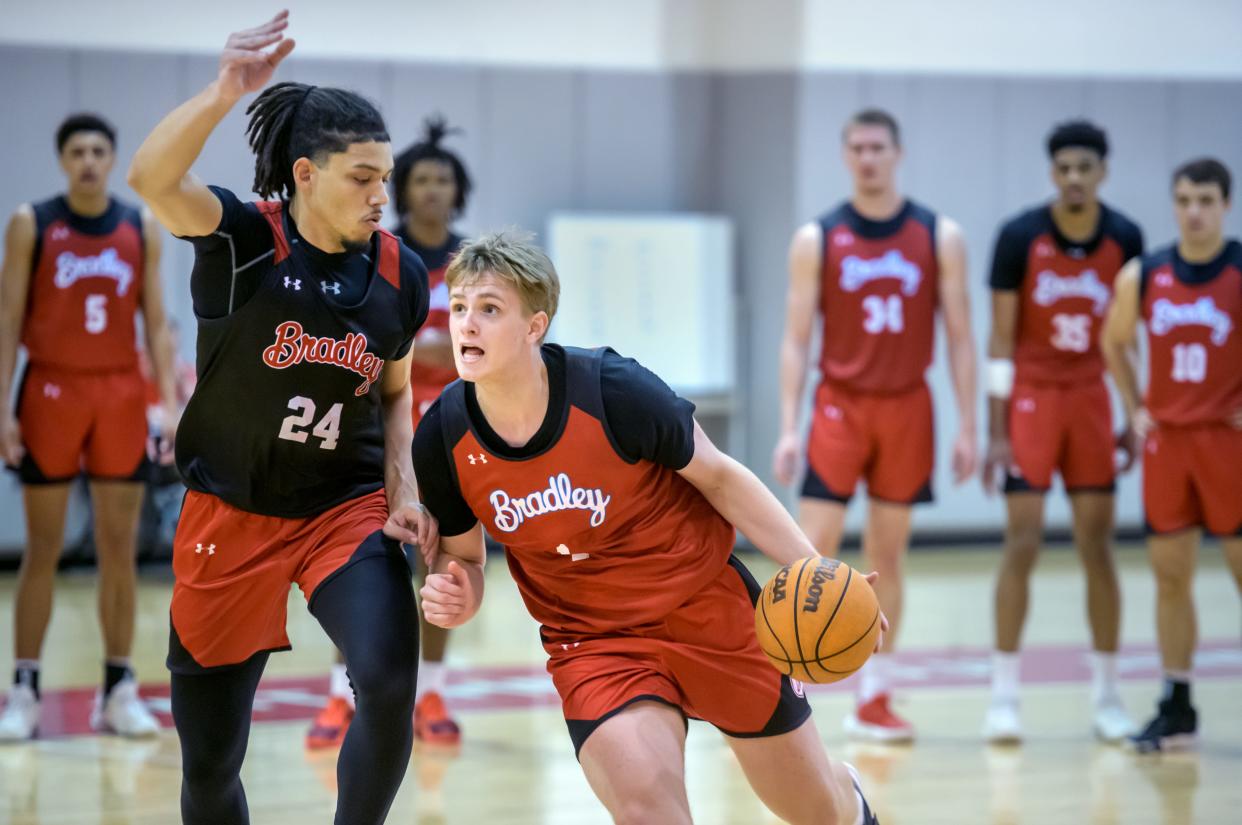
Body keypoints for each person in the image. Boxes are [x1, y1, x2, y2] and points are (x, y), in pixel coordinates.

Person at [415, 231, 882, 825]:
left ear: (535, 326)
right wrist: (457, 594)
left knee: (819, 812)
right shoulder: (443, 437)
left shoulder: (613, 390)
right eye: (459, 308)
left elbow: (721, 479)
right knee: (649, 814)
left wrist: (816, 568)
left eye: (488, 309)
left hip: (707, 608)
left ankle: (850, 798)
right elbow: (467, 560)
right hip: (595, 640)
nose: (466, 326)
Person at [126, 12, 435, 823]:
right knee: (210, 766)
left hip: (343, 506)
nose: (381, 194)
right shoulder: (242, 241)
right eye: (361, 176)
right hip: (229, 513)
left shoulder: (400, 271)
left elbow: (396, 391)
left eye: (385, 176)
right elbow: (152, 179)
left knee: (390, 680)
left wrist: (402, 486)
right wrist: (225, 89)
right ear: (304, 173)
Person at [772, 108, 977, 741]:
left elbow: (963, 336)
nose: (868, 157)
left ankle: (875, 695)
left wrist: (970, 426)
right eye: (857, 147)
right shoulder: (818, 238)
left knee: (888, 555)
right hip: (841, 403)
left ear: (898, 153)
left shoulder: (939, 234)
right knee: (809, 550)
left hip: (908, 405)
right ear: (845, 156)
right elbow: (797, 339)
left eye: (878, 147)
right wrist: (788, 425)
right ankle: (782, 688)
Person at [0, 112, 180, 741]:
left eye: (98, 150)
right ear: (62, 159)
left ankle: (119, 685)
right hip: (50, 389)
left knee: (117, 549)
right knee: (43, 547)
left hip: (120, 393)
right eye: (76, 150)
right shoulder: (32, 223)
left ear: (111, 158)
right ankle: (23, 688)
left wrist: (170, 405)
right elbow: (6, 321)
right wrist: (2, 409)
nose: (88, 161)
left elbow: (156, 323)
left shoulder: (139, 225)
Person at [307, 116, 470, 750]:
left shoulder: (474, 261)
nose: (432, 190)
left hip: (454, 434)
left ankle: (432, 691)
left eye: (443, 180)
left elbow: (485, 349)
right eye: (422, 179)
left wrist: (433, 349)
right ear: (403, 191)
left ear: (458, 191)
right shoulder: (379, 257)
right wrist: (440, 348)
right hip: (380, 433)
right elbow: (377, 348)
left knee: (446, 567)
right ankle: (338, 696)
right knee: (362, 568)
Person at [981, 120, 1144, 743]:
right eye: (1064, 168)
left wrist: (1132, 412)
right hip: (1033, 399)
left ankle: (1107, 696)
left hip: (1092, 400)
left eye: (1085, 167)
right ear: (1053, 173)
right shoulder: (1020, 236)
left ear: (1102, 171)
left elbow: (1128, 336)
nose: (1074, 177)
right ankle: (1003, 697)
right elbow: (1001, 338)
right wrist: (996, 428)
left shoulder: (1125, 236)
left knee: (1097, 547)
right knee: (1022, 542)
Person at [1101, 158, 1242, 753]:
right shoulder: (1147, 272)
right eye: (1183, 199)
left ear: (1225, 204)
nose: (1193, 211)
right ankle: (1178, 703)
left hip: (1227, 442)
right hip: (1168, 445)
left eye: (1205, 199)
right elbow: (1114, 340)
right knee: (1169, 578)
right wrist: (1135, 405)